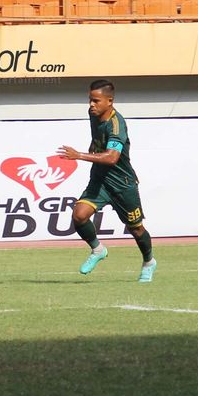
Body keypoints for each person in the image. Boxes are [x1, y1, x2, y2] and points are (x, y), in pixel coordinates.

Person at [57, 79, 157, 283]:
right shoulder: (93, 115)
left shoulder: (117, 124)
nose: (91, 105)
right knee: (79, 215)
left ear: (109, 101)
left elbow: (112, 157)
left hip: (122, 184)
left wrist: (79, 155)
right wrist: (93, 145)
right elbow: (97, 137)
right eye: (89, 100)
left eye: (96, 101)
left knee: (136, 229)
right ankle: (98, 249)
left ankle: (149, 262)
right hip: (100, 181)